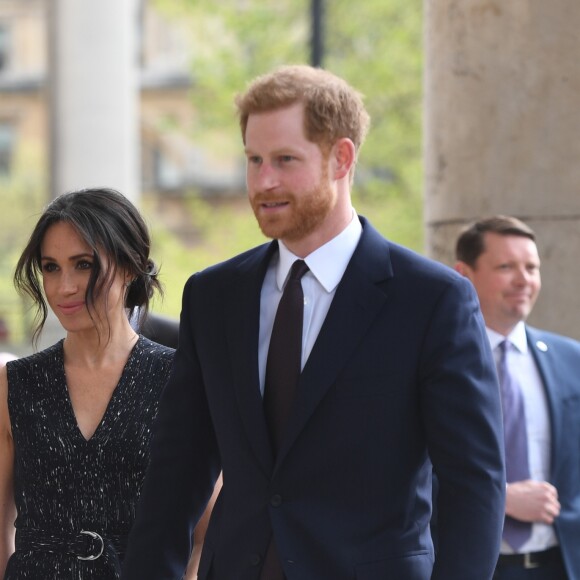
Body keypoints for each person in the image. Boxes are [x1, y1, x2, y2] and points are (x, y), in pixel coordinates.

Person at [122, 64, 506, 580]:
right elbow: (176, 472)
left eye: (285, 160)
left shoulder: (433, 300)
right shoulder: (214, 296)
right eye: (253, 160)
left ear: (341, 158)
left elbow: (473, 483)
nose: (263, 181)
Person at [0, 187, 177, 579]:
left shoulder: (176, 379)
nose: (64, 287)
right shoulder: (14, 384)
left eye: (83, 265)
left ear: (130, 266)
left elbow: (207, 527)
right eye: (51, 267)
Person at [455, 215, 580, 580]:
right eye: (506, 267)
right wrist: (502, 497)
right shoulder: (437, 361)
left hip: (560, 565)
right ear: (464, 274)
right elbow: (409, 465)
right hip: (475, 567)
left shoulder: (570, 359)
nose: (523, 280)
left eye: (532, 267)